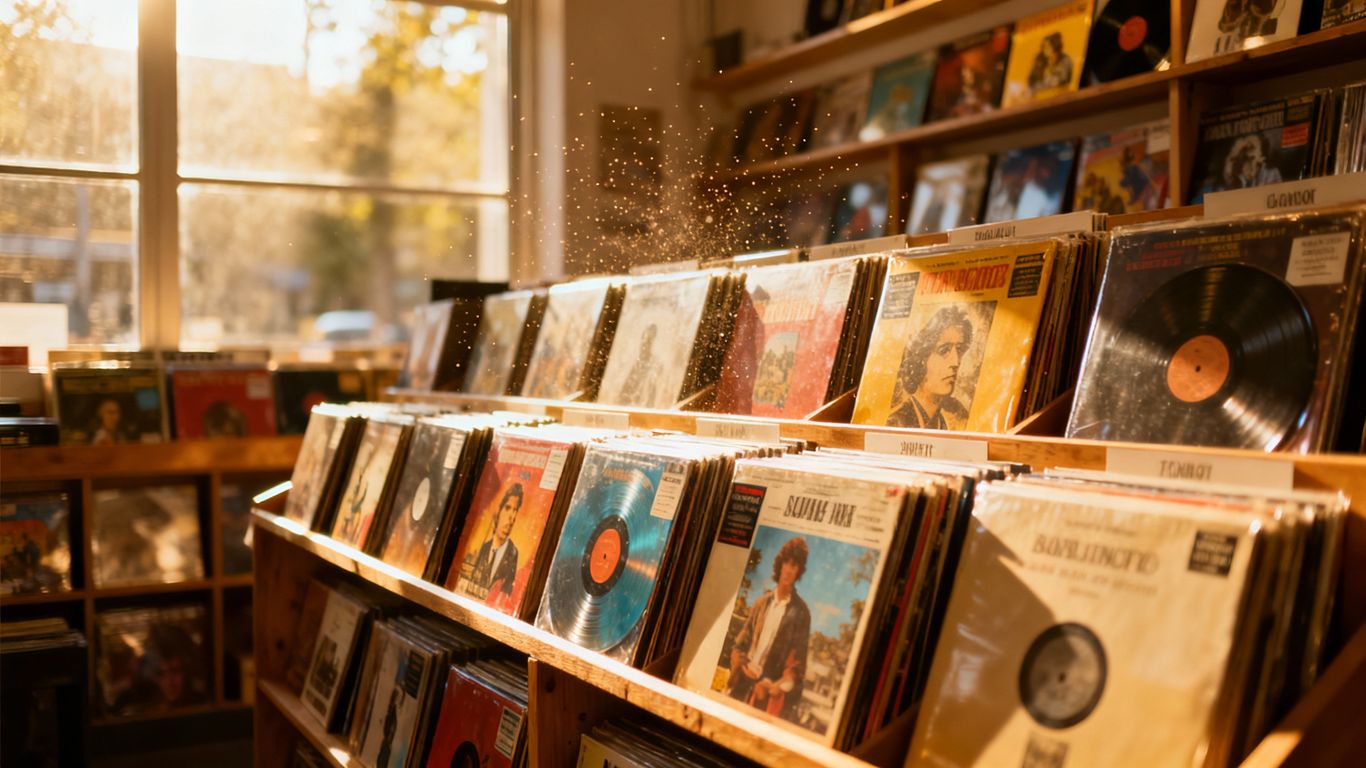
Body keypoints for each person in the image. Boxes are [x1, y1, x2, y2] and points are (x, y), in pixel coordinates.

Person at [728, 537, 811, 724]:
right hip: (741, 684)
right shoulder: (761, 603)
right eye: (787, 563)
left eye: (795, 566)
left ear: (799, 572)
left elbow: (797, 668)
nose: (789, 570)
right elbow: (740, 645)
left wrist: (776, 686)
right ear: (780, 565)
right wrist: (741, 666)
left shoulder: (801, 613)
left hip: (765, 697)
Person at [889, 306, 974, 430]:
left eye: (959, 350)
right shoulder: (895, 421)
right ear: (921, 359)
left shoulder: (954, 418)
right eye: (944, 350)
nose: (956, 362)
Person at [467, 482, 523, 600]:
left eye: (515, 511)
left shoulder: (513, 553)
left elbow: (506, 595)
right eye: (507, 508)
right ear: (499, 511)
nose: (511, 518)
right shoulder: (485, 547)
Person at [618, 324, 660, 406]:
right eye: (643, 340)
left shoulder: (655, 368)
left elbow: (652, 399)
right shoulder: (631, 363)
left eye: (648, 341)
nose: (644, 344)